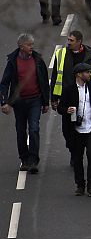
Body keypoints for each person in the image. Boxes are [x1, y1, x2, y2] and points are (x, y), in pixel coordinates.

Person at [1, 33, 50, 173]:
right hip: (19, 102)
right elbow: (4, 83)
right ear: (21, 46)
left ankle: (33, 160)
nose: (31, 47)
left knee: (34, 128)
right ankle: (24, 159)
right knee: (21, 131)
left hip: (35, 100)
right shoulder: (13, 61)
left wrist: (45, 102)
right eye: (29, 45)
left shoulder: (38, 59)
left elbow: (44, 81)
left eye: (32, 44)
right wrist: (4, 101)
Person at [58, 62, 91, 197]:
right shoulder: (69, 89)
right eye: (87, 72)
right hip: (76, 129)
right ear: (79, 74)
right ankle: (80, 185)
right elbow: (60, 107)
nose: (90, 74)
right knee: (77, 158)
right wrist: (67, 110)